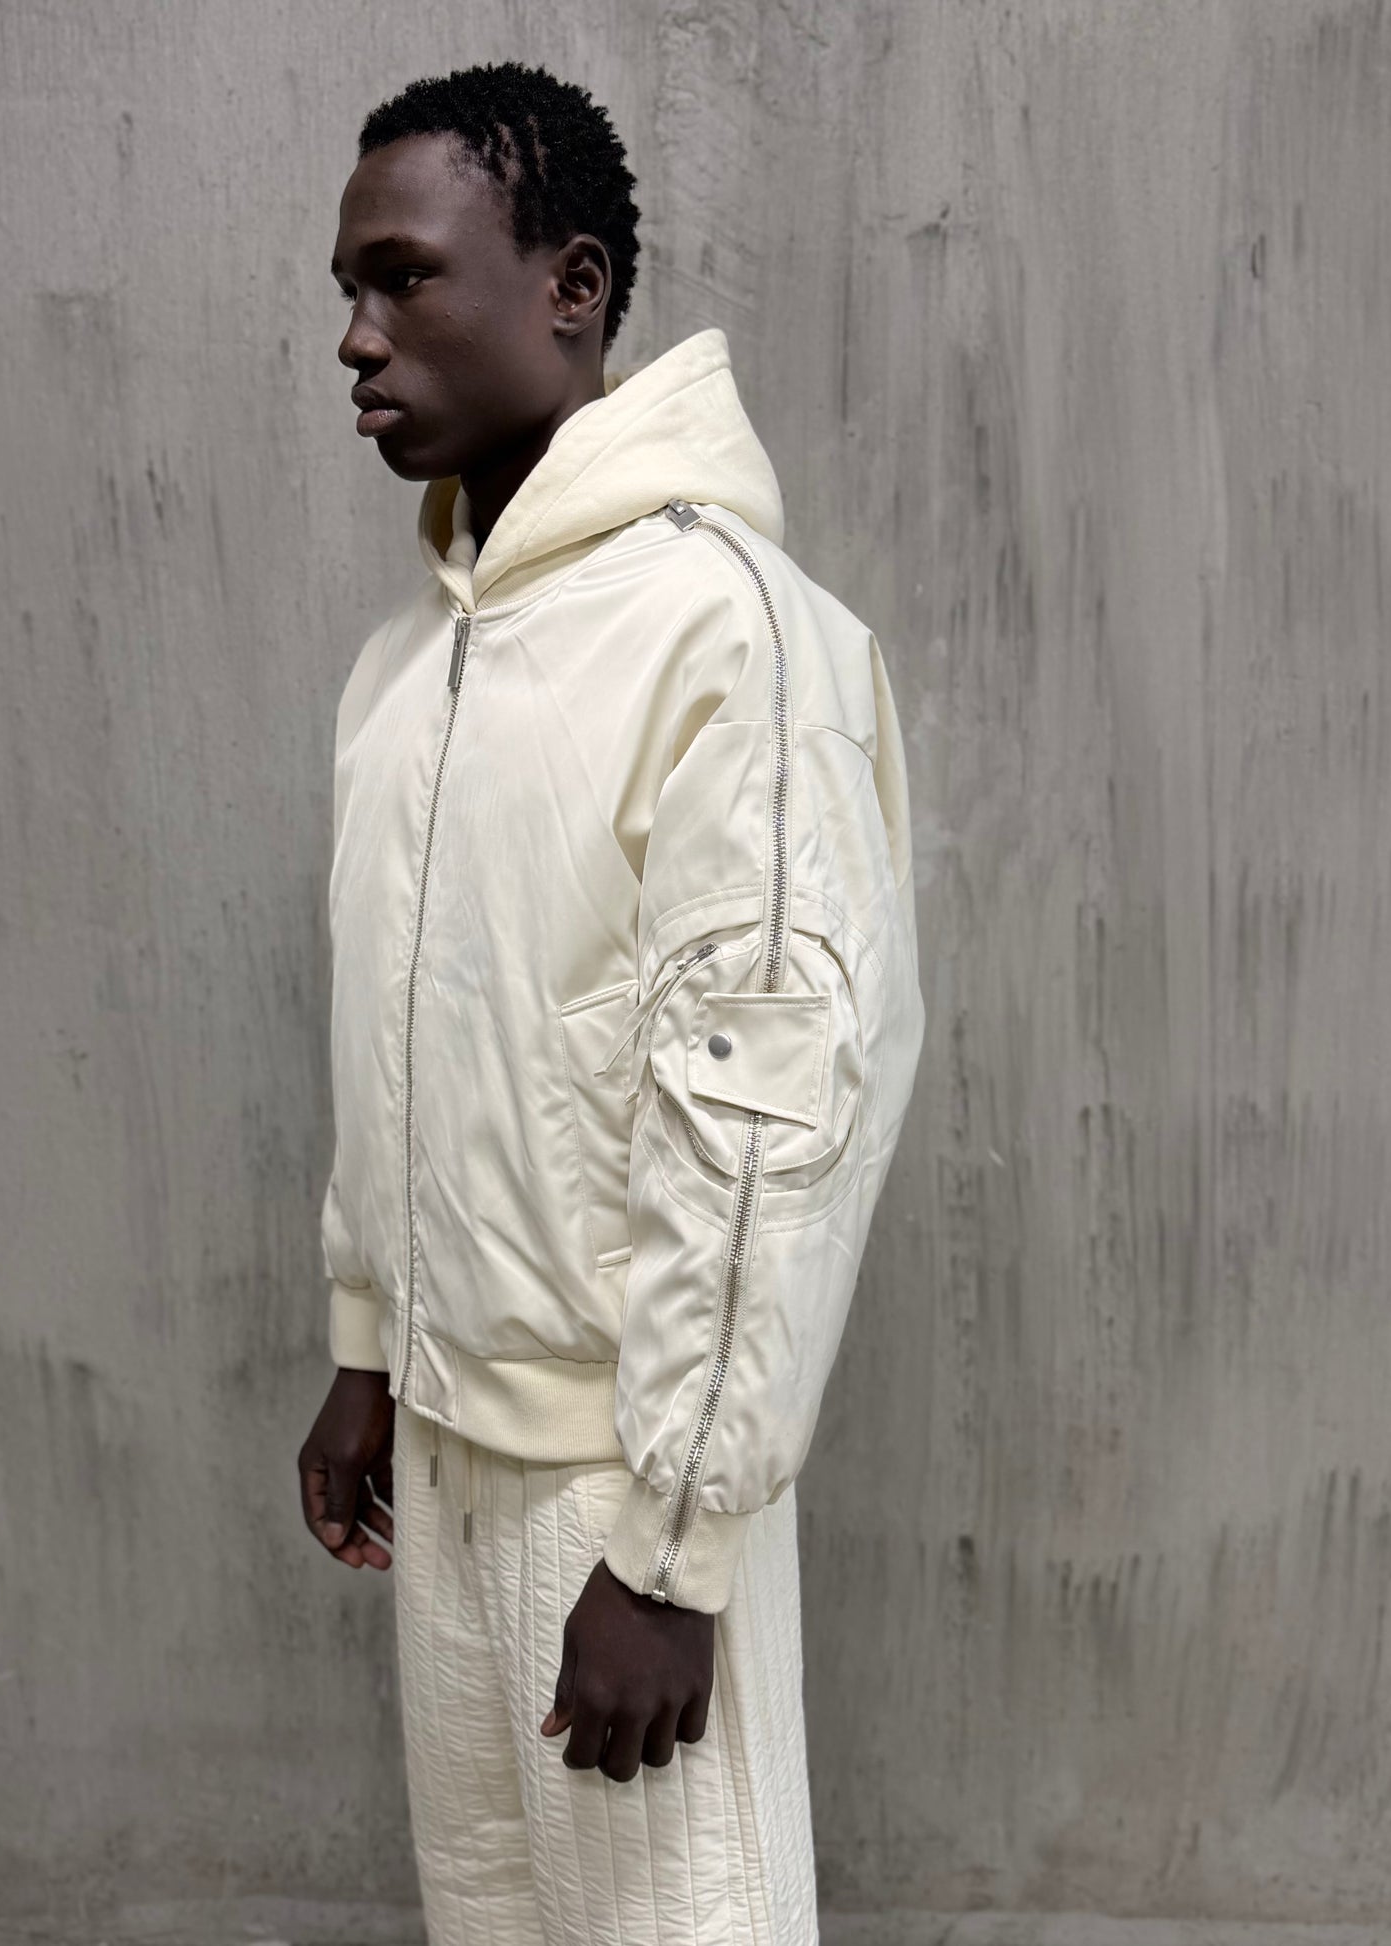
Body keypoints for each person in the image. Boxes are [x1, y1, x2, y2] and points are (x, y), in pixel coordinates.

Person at [297, 59, 925, 1946]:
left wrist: (669, 1548)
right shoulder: (407, 665)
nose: (356, 337)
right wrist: (367, 1338)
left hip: (613, 1476)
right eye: (347, 288)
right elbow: (402, 1031)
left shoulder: (726, 633)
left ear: (570, 286)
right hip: (444, 1460)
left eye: (406, 277)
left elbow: (766, 1116)